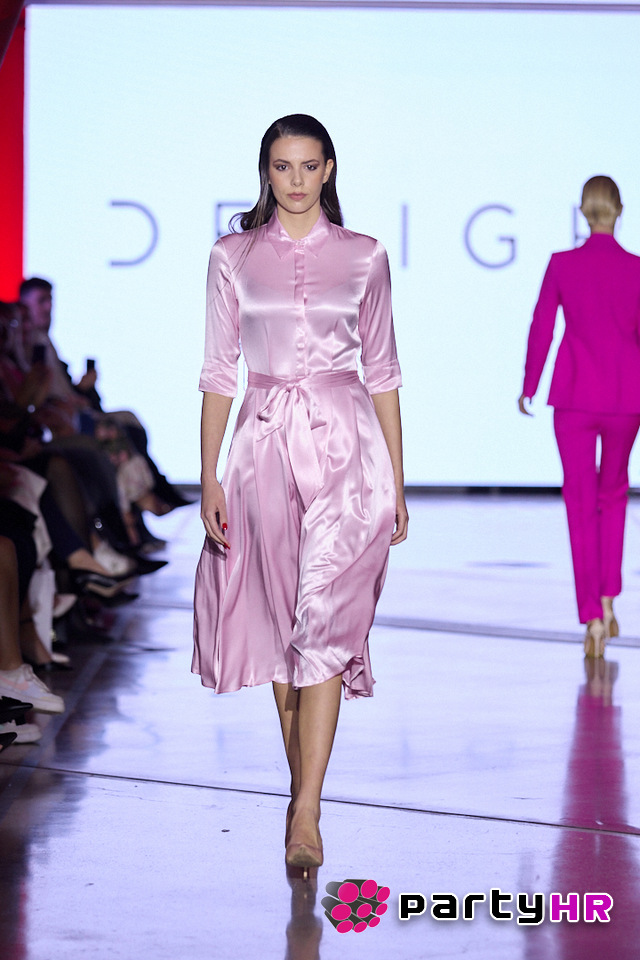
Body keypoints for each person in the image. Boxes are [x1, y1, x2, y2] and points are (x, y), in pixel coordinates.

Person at [193, 114, 408, 873]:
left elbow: (383, 371)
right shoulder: (232, 257)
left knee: (323, 623)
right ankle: (302, 794)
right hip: (261, 449)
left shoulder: (365, 255)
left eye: (308, 166)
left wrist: (398, 481)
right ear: (266, 171)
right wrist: (209, 472)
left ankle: (306, 810)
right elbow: (219, 371)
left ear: (328, 170)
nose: (295, 180)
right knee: (285, 629)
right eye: (282, 167)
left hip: (349, 450)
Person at [519, 176, 640, 658]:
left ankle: (591, 614)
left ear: (584, 212)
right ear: (619, 210)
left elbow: (542, 326)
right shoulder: (636, 269)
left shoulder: (562, 264)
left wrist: (530, 384)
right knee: (613, 496)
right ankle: (608, 599)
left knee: (580, 502)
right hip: (626, 397)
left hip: (574, 396)